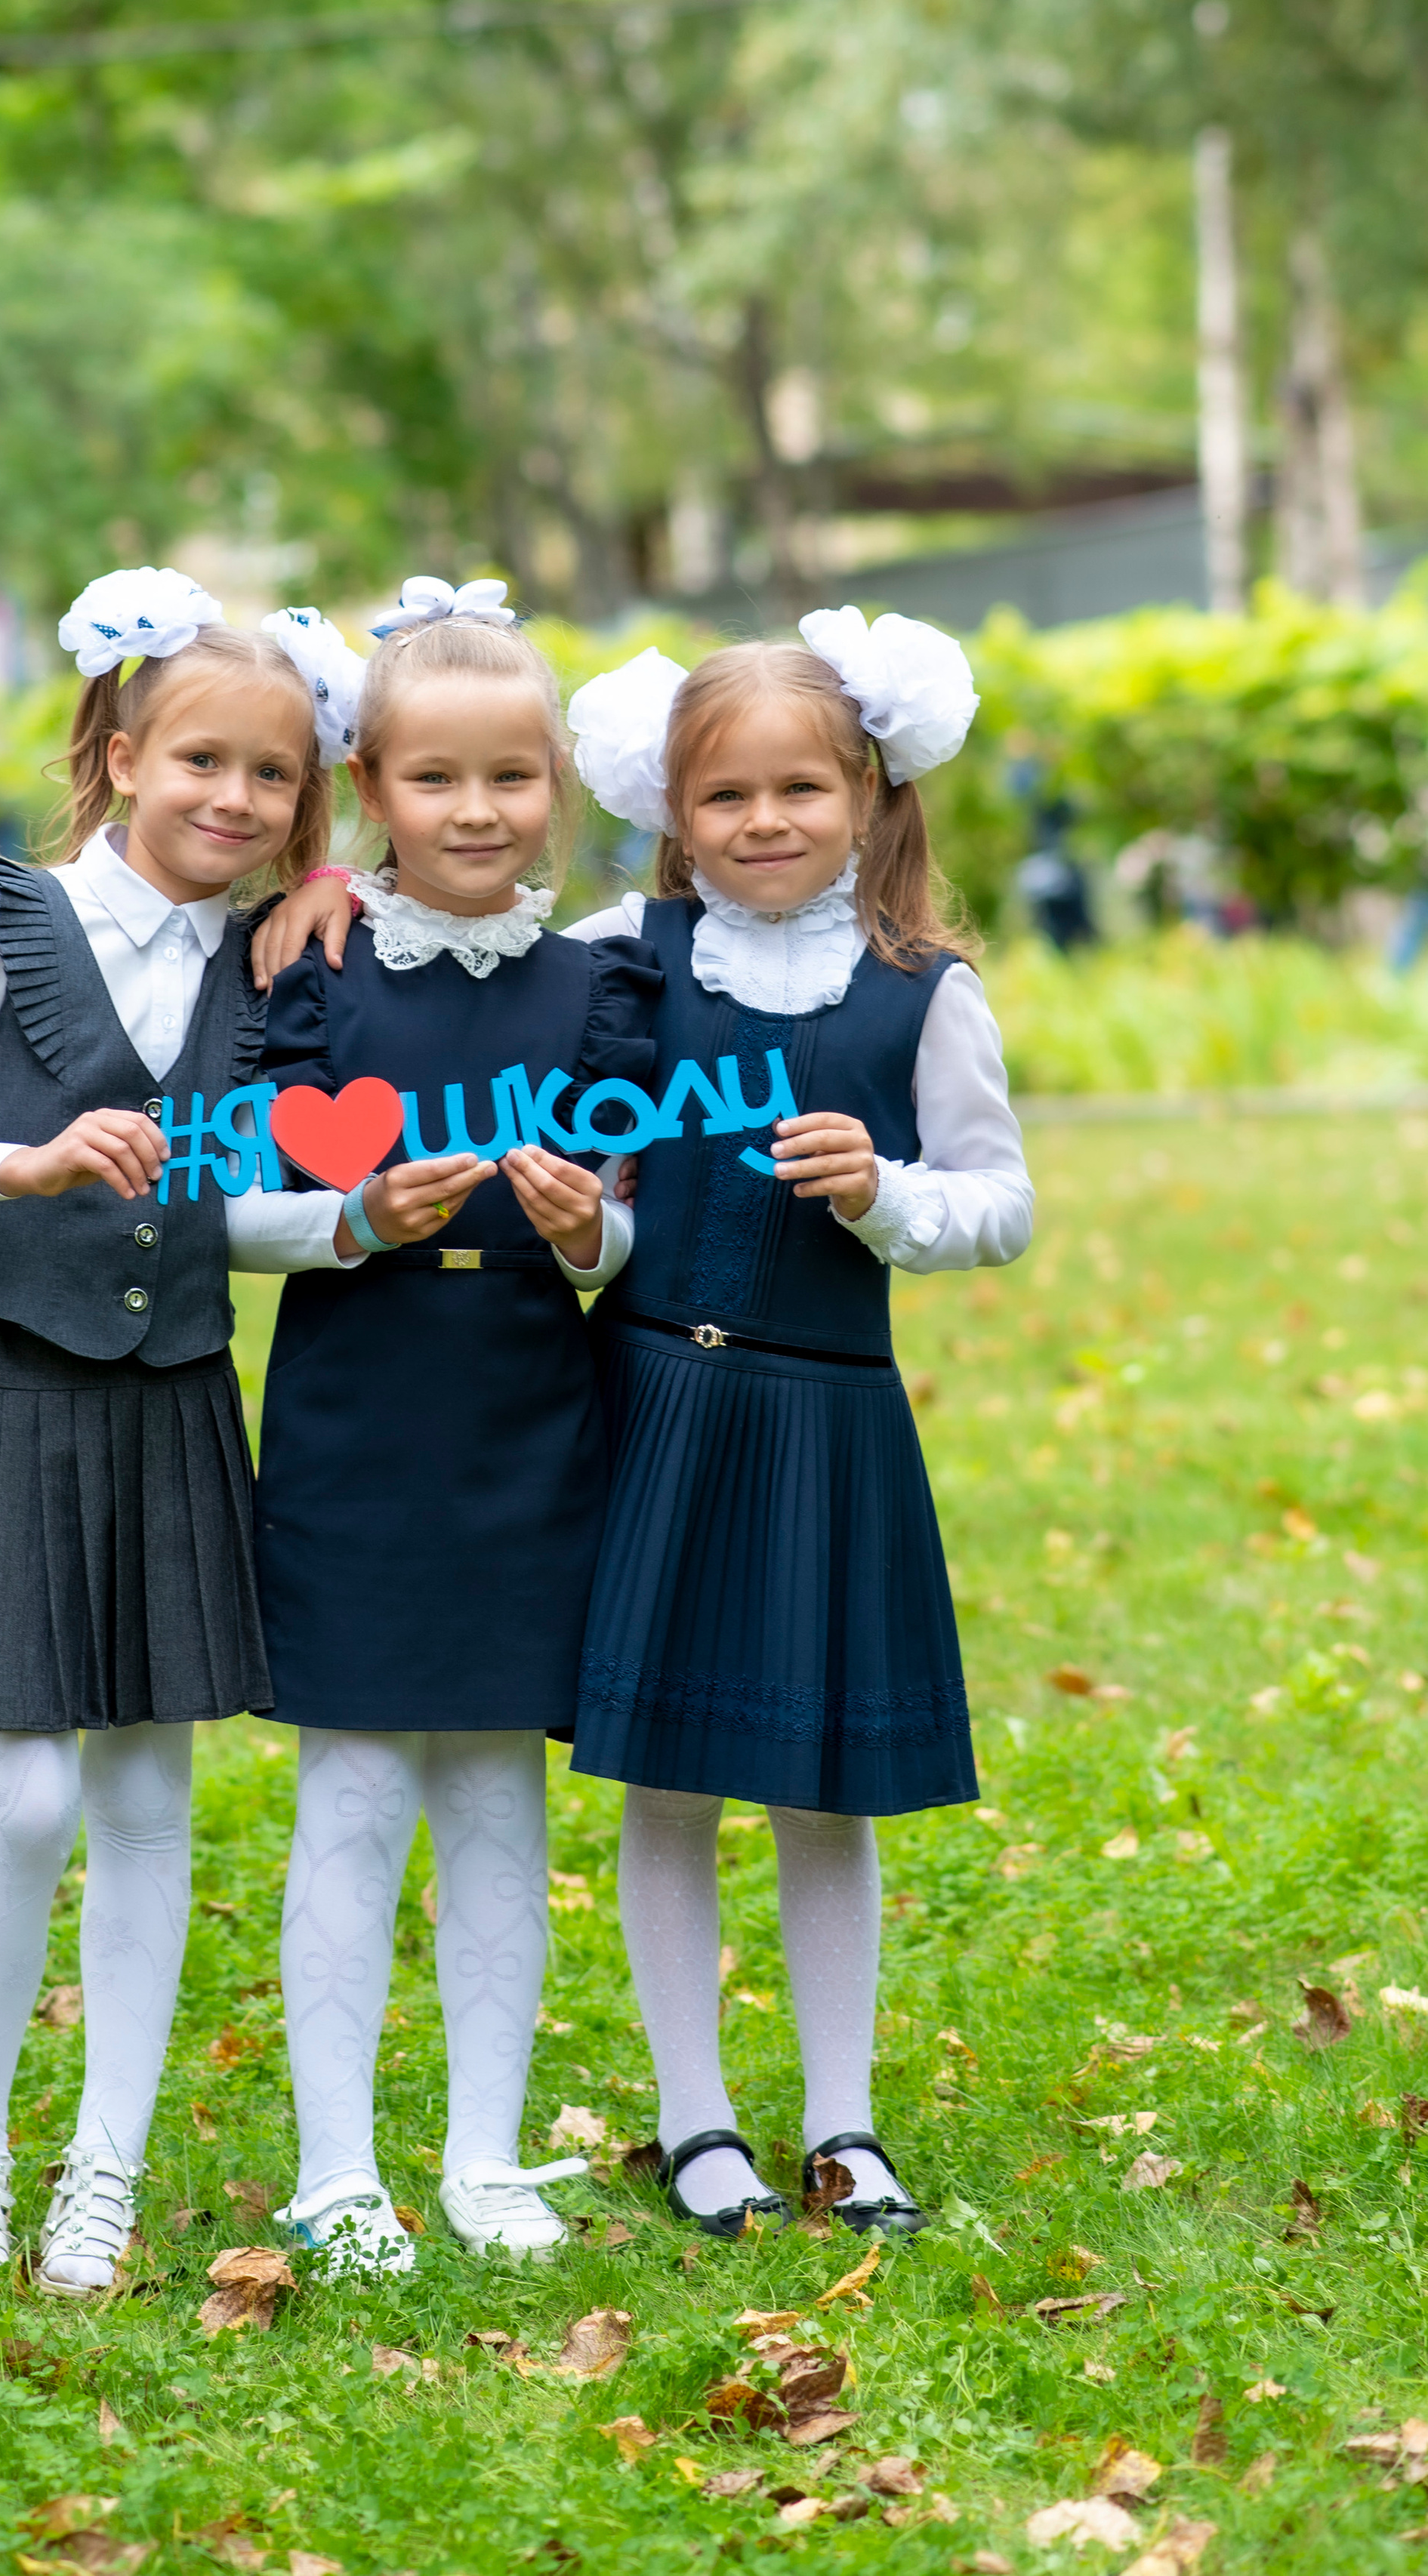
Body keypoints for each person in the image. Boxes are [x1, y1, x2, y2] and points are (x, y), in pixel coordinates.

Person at [0, 567, 359, 2297]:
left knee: (149, 1798)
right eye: (198, 758)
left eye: (270, 777)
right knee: (27, 1796)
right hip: (14, 1390)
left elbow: (234, 1207)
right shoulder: (11, 921)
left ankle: (103, 2172)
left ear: (302, 801)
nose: (231, 797)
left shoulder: (270, 966)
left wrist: (354, 1224)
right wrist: (25, 1164)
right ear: (120, 751)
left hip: (175, 1402)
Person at [553, 611, 1033, 2238]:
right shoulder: (631, 958)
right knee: (667, 1778)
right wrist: (577, 1235)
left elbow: (999, 1204)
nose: (761, 823)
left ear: (869, 792)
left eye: (798, 790)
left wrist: (888, 1194)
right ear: (670, 812)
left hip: (822, 1418)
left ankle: (843, 2120)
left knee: (821, 1786)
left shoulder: (917, 991)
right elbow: (609, 1201)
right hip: (655, 1404)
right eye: (724, 796)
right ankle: (694, 2120)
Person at [251, 575, 661, 2273]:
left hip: (522, 1416)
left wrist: (589, 1233)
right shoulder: (314, 969)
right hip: (355, 1414)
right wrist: (349, 1219)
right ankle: (335, 2165)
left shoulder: (598, 990)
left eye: (510, 777)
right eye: (435, 780)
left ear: (553, 786)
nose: (476, 810)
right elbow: (235, 1194)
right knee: (348, 1787)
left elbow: (634, 1208)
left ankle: (485, 2154)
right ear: (371, 795)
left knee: (498, 1791)